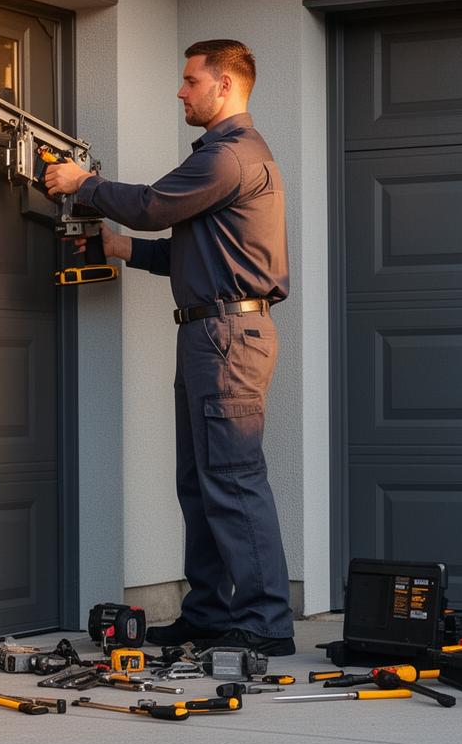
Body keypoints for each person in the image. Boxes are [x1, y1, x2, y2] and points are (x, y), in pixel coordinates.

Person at [41, 39, 293, 656]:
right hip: (212, 334)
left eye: (190, 81)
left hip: (228, 338)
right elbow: (195, 251)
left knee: (232, 479)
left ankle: (265, 622)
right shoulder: (224, 160)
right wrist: (126, 250)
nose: (181, 92)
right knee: (200, 483)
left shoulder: (229, 157)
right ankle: (208, 611)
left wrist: (84, 182)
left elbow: (153, 205)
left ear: (225, 86)